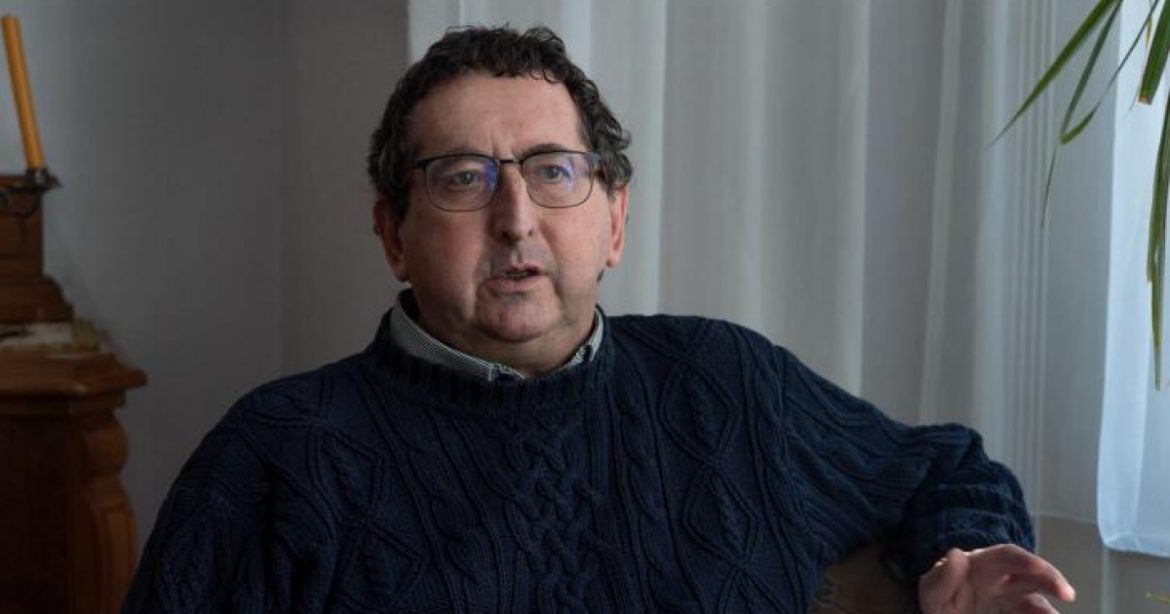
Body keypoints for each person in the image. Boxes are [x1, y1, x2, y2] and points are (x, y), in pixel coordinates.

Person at [123, 26, 1076, 614]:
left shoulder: (725, 383)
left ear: (614, 219)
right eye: (463, 179)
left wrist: (956, 559)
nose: (516, 218)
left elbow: (947, 468)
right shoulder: (279, 453)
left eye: (553, 171)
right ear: (393, 234)